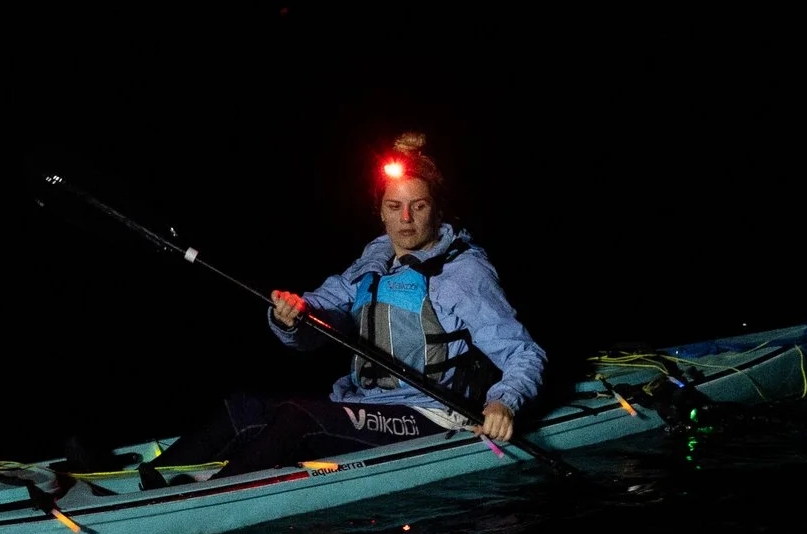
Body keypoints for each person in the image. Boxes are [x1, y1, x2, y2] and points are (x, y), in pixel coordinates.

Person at [138, 132, 545, 478]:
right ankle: (149, 481)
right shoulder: (378, 255)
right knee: (243, 406)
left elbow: (523, 353)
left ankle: (201, 500)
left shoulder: (463, 273)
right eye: (394, 207)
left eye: (419, 206)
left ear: (437, 210)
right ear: (380, 213)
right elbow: (325, 305)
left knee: (298, 415)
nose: (406, 218)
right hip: (368, 404)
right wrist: (293, 314)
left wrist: (502, 402)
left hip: (434, 414)